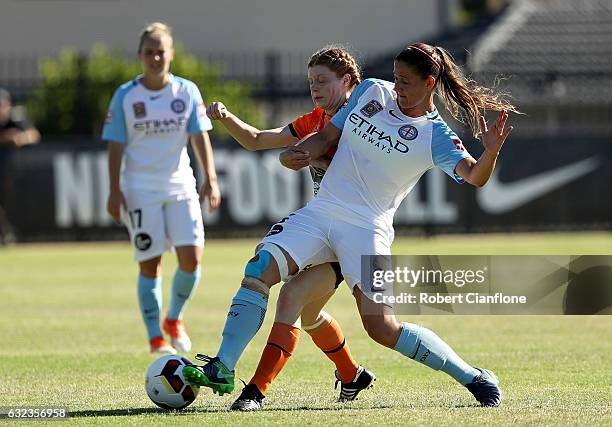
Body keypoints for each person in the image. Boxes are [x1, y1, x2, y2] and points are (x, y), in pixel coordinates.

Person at [184, 42, 516, 408]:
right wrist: (303, 153)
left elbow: (475, 177)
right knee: (260, 268)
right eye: (396, 77)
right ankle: (224, 366)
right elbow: (327, 136)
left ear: (430, 82)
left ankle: (473, 376)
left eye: (406, 81)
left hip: (367, 229)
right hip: (323, 210)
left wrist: (491, 151)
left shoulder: (435, 135)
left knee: (382, 328)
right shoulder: (372, 91)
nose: (397, 86)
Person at [200, 46, 375, 410]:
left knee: (292, 298)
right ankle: (351, 375)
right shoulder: (312, 120)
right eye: (311, 81)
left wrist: (315, 155)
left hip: (352, 233)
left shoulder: (365, 120)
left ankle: (254, 391)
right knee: (309, 313)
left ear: (348, 82)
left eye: (321, 80)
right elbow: (258, 139)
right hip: (320, 229)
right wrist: (226, 116)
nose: (314, 87)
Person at [102, 23, 221, 354]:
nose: (155, 57)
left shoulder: (186, 91)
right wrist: (114, 190)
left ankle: (174, 318)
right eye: (149, 51)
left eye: (161, 51)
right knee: (150, 263)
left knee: (192, 259)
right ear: (140, 56)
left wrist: (210, 177)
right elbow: (115, 144)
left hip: (181, 185)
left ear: (171, 54)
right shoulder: (127, 95)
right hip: (140, 189)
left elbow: (199, 135)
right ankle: (155, 335)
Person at [0, 88, 40, 245]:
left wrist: (18, 138)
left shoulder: (16, 118)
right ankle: (6, 233)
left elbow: (34, 135)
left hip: (15, 171)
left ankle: (7, 233)